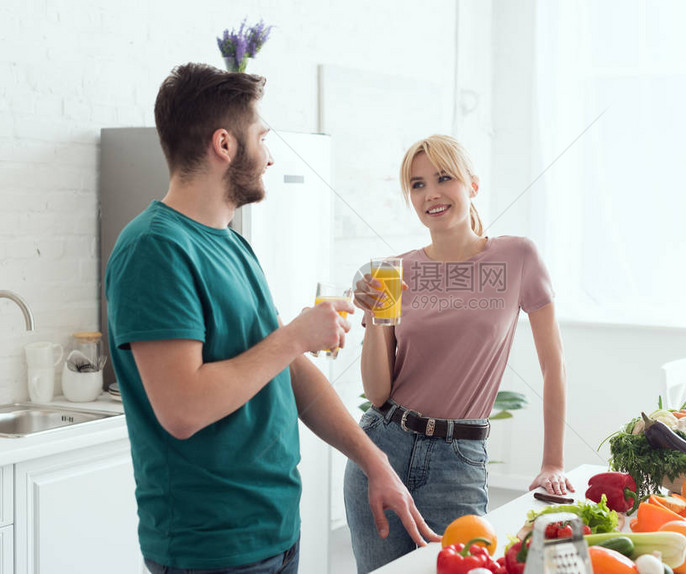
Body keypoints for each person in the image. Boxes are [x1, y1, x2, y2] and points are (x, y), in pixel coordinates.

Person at [105, 63, 438, 574]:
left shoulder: (233, 244)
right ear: (224, 144)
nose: (270, 155)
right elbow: (182, 408)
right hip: (211, 548)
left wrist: (374, 462)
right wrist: (295, 336)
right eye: (261, 138)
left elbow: (289, 370)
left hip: (275, 532)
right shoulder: (156, 248)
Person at [344, 134, 572, 572]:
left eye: (443, 178)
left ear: (472, 184)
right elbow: (376, 392)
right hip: (382, 448)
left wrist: (552, 462)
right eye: (416, 184)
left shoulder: (517, 257)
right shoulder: (393, 271)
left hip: (458, 460)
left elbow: (553, 365)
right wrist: (374, 317)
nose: (430, 193)